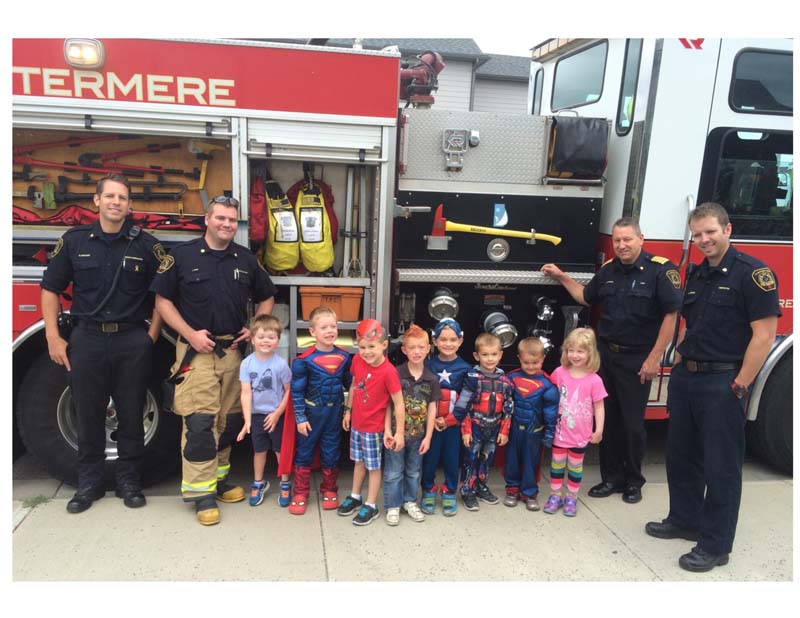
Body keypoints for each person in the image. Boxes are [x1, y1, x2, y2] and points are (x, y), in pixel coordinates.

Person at [646, 202, 779, 572]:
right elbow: (688, 322)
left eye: (710, 232)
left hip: (723, 380)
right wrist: (675, 358)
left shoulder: (753, 274)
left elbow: (764, 335)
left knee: (721, 466)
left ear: (727, 230)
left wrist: (741, 383)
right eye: (697, 234)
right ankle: (685, 520)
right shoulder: (697, 274)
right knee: (682, 456)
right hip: (688, 376)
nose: (703, 239)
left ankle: (716, 545)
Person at [41, 173, 165, 514]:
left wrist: (151, 335)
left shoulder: (145, 245)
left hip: (131, 339)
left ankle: (129, 482)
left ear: (129, 205)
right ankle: (89, 484)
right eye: (110, 196)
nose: (116, 203)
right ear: (96, 201)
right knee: (89, 412)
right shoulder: (75, 241)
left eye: (122, 198)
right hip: (87, 339)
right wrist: (53, 336)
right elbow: (50, 289)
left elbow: (164, 293)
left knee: (130, 412)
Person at [151, 195, 277, 525]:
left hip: (233, 353)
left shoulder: (246, 259)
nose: (226, 224)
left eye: (232, 220)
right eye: (220, 218)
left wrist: (254, 328)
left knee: (229, 421)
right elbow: (162, 302)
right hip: (197, 354)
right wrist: (190, 334)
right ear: (207, 220)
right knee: (199, 424)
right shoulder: (181, 256)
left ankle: (218, 481)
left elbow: (267, 296)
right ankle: (199, 493)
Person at [542, 217, 682, 504]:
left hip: (638, 358)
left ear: (641, 239)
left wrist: (655, 358)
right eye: (617, 240)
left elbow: (673, 315)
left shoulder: (660, 271)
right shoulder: (608, 272)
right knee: (607, 418)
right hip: (605, 355)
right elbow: (585, 297)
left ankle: (633, 481)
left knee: (632, 423)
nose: (621, 245)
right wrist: (562, 276)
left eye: (627, 239)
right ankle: (611, 478)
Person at [282, 306, 352, 515]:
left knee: (331, 451)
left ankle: (330, 489)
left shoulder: (344, 357)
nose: (330, 331)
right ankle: (301, 492)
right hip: (312, 414)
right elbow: (296, 392)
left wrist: (350, 408)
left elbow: (352, 384)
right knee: (304, 451)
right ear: (312, 332)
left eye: (333, 326)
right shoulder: (304, 360)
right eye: (324, 327)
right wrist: (301, 418)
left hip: (334, 413)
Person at [337, 319, 405, 526]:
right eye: (362, 347)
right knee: (358, 462)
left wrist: (399, 432)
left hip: (374, 429)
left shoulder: (389, 372)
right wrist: (348, 411)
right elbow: (355, 384)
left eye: (372, 347)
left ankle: (371, 504)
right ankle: (355, 496)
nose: (366, 352)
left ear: (384, 345)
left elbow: (398, 403)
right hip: (357, 424)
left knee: (374, 467)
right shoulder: (357, 361)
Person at [542, 327, 607, 517]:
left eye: (580, 351)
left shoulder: (594, 380)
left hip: (580, 434)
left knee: (575, 467)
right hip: (559, 432)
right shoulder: (559, 373)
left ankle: (572, 497)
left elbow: (599, 407)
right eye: (571, 350)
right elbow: (549, 396)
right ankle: (555, 495)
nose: (575, 355)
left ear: (590, 353)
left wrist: (599, 430)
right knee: (556, 465)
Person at [383, 325, 440, 525]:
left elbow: (432, 409)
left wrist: (428, 436)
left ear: (428, 349)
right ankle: (392, 505)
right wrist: (387, 430)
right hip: (396, 435)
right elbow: (388, 405)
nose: (417, 351)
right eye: (412, 347)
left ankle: (409, 501)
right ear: (404, 350)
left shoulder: (431, 379)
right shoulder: (396, 374)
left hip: (418, 436)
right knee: (393, 471)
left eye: (421, 347)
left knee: (414, 471)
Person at [236, 315, 291, 507]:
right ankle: (258, 483)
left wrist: (277, 414)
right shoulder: (246, 364)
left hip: (276, 415)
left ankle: (285, 483)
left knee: (279, 450)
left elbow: (288, 391)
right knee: (259, 451)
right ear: (252, 339)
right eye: (261, 337)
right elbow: (245, 393)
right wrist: (247, 420)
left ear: (278, 340)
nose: (266, 341)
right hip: (257, 415)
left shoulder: (281, 365)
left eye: (271, 337)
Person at [455, 332, 514, 512]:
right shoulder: (473, 379)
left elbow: (509, 407)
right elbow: (463, 406)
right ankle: (467, 490)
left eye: (494, 354)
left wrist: (504, 430)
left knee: (487, 460)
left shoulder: (505, 381)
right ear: (476, 356)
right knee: (470, 459)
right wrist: (465, 430)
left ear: (500, 355)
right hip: (475, 426)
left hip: (494, 427)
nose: (490, 359)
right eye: (485, 354)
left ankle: (481, 486)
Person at [420, 318, 472, 517]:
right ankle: (428, 489)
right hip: (431, 423)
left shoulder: (466, 368)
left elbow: (466, 398)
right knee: (429, 459)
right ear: (434, 341)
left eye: (453, 339)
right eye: (443, 339)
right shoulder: (428, 365)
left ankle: (450, 491)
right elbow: (424, 394)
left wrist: (450, 420)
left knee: (452, 459)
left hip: (452, 424)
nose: (448, 344)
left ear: (460, 341)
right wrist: (430, 420)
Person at [503, 337, 559, 511]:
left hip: (534, 431)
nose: (531, 366)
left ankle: (529, 492)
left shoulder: (548, 385)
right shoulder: (510, 378)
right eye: (526, 362)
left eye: (535, 362)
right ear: (519, 358)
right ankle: (512, 490)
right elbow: (503, 403)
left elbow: (551, 411)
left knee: (531, 463)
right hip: (513, 430)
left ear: (542, 359)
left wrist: (550, 433)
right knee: (511, 460)